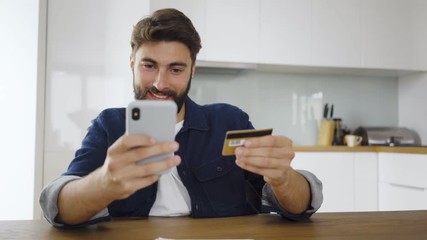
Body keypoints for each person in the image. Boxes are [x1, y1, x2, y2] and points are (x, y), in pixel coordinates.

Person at [40, 8, 323, 228]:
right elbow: (57, 205)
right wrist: (104, 183)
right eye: (149, 66)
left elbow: (298, 206)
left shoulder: (229, 120)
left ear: (192, 71)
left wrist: (283, 177)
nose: (160, 83)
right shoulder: (110, 125)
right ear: (132, 64)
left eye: (175, 69)